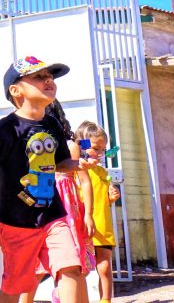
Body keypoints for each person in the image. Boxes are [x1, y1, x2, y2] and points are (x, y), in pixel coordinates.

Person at [0, 55, 97, 303]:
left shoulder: (52, 124)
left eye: (50, 76)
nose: (48, 80)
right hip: (16, 222)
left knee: (70, 265)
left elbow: (60, 163)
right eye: (39, 76)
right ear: (16, 90)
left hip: (53, 215)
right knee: (17, 284)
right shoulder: (6, 128)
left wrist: (78, 164)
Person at [47, 102, 95, 302]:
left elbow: (85, 181)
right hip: (51, 204)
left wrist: (88, 215)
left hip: (67, 207)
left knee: (75, 261)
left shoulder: (70, 146)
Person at [74, 121, 120, 303]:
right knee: (80, 269)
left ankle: (106, 299)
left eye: (103, 149)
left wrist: (112, 195)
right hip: (83, 225)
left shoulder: (102, 171)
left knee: (104, 267)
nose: (101, 153)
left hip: (102, 226)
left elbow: (104, 195)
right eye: (96, 148)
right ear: (82, 145)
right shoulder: (75, 170)